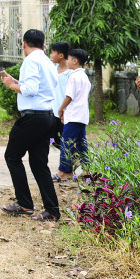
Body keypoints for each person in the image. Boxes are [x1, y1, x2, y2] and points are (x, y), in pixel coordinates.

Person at [0, 29, 60, 221]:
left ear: (24, 44)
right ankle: (52, 209)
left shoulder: (31, 60)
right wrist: (16, 81)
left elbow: (31, 90)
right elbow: (41, 88)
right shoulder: (47, 62)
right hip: (46, 116)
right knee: (38, 163)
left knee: (12, 155)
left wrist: (10, 85)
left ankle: (24, 203)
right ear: (43, 45)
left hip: (32, 117)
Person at [56, 48, 90, 183]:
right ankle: (87, 170)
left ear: (75, 61)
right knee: (82, 144)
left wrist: (61, 109)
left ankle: (63, 172)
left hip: (73, 115)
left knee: (66, 143)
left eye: (69, 59)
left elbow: (69, 96)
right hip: (82, 116)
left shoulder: (73, 76)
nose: (67, 62)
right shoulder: (85, 77)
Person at [49, 41, 72, 151]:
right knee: (51, 138)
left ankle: (69, 159)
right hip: (53, 112)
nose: (51, 55)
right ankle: (69, 155)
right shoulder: (53, 70)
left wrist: (64, 109)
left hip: (65, 113)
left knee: (66, 139)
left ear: (61, 55)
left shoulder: (71, 73)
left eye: (53, 53)